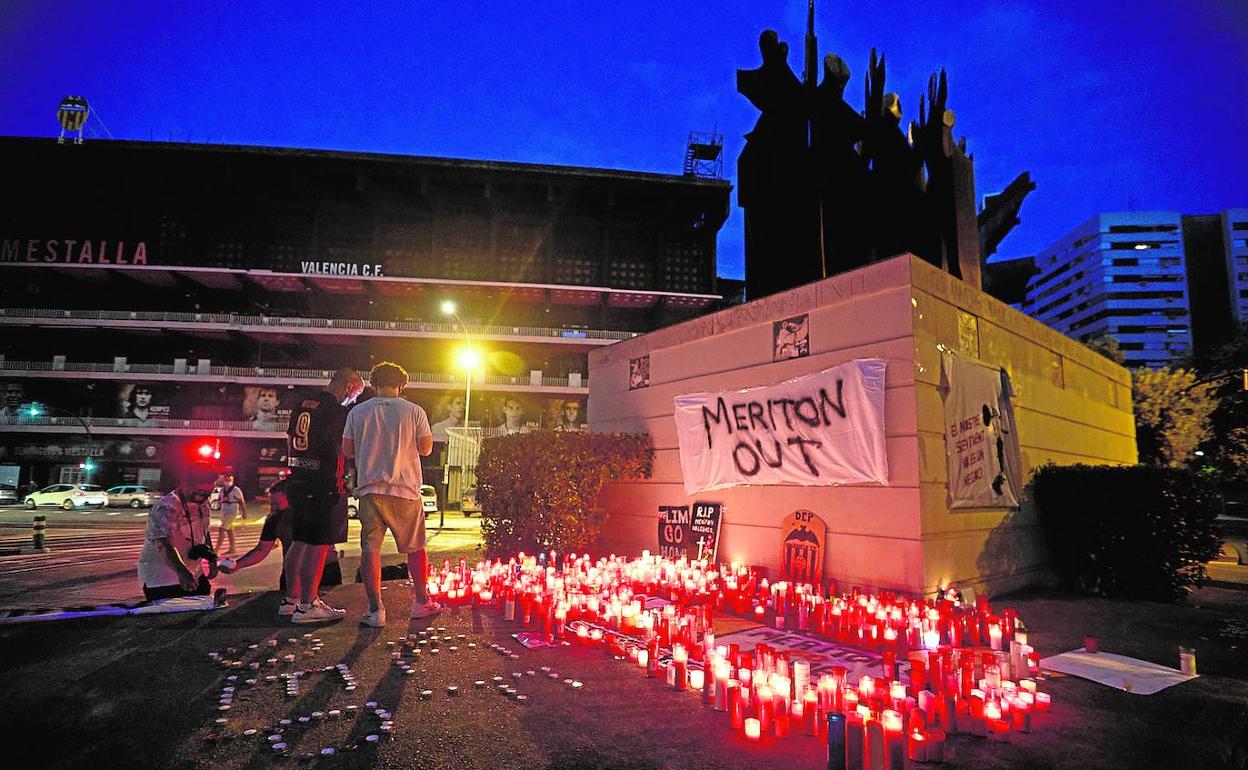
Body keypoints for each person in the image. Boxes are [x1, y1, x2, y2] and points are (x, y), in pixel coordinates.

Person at [342, 361, 441, 627]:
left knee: (369, 550)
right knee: (415, 548)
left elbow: (348, 451)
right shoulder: (414, 411)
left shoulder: (357, 412)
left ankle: (376, 611)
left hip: (369, 489)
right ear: (402, 384)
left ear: (373, 384)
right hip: (405, 490)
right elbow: (426, 448)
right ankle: (421, 603)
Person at [285, 368, 365, 624]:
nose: (353, 400)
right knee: (319, 545)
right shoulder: (336, 411)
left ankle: (291, 600)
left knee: (299, 541)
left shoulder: (303, 404)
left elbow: (290, 439)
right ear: (349, 386)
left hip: (297, 478)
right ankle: (309, 604)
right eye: (356, 394)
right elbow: (344, 449)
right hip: (324, 482)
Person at [136, 463, 219, 600]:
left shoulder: (202, 503)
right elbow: (163, 543)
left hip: (193, 571)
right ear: (184, 483)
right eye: (199, 491)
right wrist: (182, 571)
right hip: (162, 577)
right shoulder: (168, 506)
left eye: (208, 492)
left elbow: (204, 531)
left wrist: (211, 558)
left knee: (203, 599)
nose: (203, 496)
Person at [218, 474, 296, 611]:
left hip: (322, 570)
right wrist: (237, 565)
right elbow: (261, 550)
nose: (273, 508)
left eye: (277, 504)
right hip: (291, 574)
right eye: (272, 503)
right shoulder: (274, 521)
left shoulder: (308, 516)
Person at [213, 473, 247, 555]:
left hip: (232, 511)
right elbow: (219, 499)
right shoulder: (222, 489)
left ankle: (216, 550)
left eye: (230, 480)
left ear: (232, 480)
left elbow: (241, 502)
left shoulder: (236, 490)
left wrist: (244, 512)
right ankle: (232, 549)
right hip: (224, 511)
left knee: (222, 529)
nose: (228, 482)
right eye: (226, 480)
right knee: (229, 530)